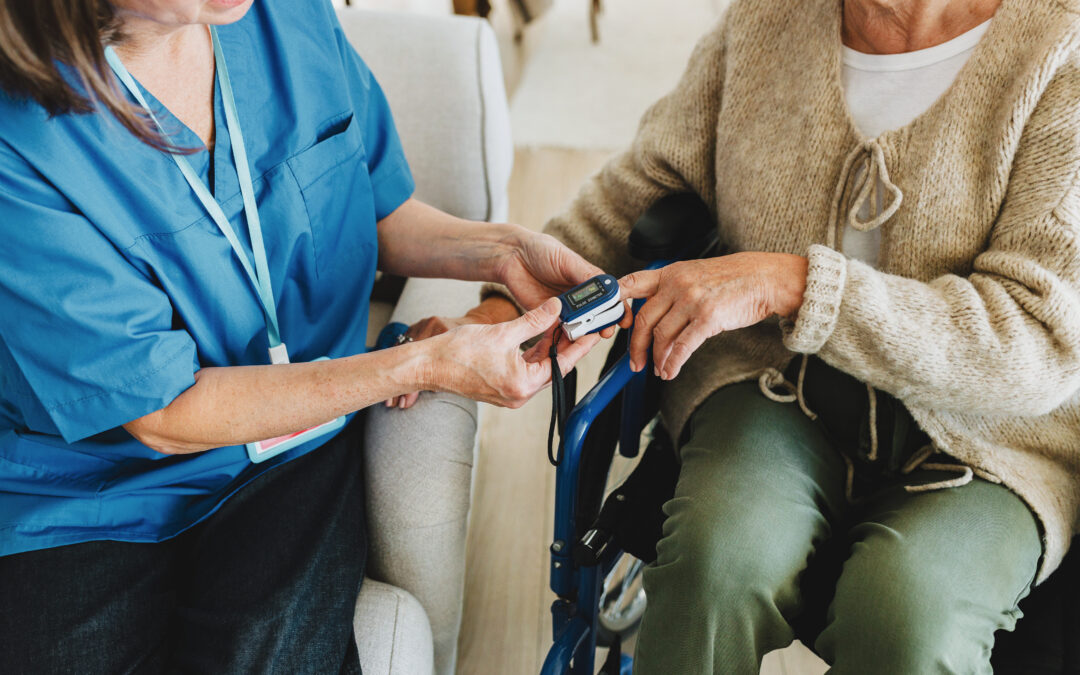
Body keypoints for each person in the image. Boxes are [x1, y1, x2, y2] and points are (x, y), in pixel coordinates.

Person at [448, 0, 1080, 671]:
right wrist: (503, 311)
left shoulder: (1058, 52)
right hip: (775, 379)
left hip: (989, 437)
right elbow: (644, 185)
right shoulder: (766, 18)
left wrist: (797, 284)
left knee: (903, 620)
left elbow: (1036, 337)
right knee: (716, 564)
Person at [0, 0, 608, 672]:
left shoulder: (287, 17)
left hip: (292, 433)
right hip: (91, 490)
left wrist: (501, 250)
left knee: (266, 648)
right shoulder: (18, 136)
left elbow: (380, 207)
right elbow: (163, 413)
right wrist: (418, 364)